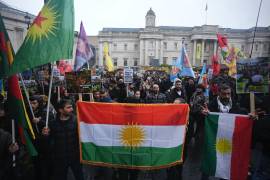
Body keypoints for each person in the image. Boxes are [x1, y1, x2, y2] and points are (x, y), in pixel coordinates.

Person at [42, 99, 84, 180]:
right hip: (60, 158)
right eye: (68, 107)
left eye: (71, 107)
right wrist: (45, 135)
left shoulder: (77, 121)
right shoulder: (52, 123)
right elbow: (48, 142)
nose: (71, 109)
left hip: (75, 157)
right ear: (60, 110)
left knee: (79, 176)